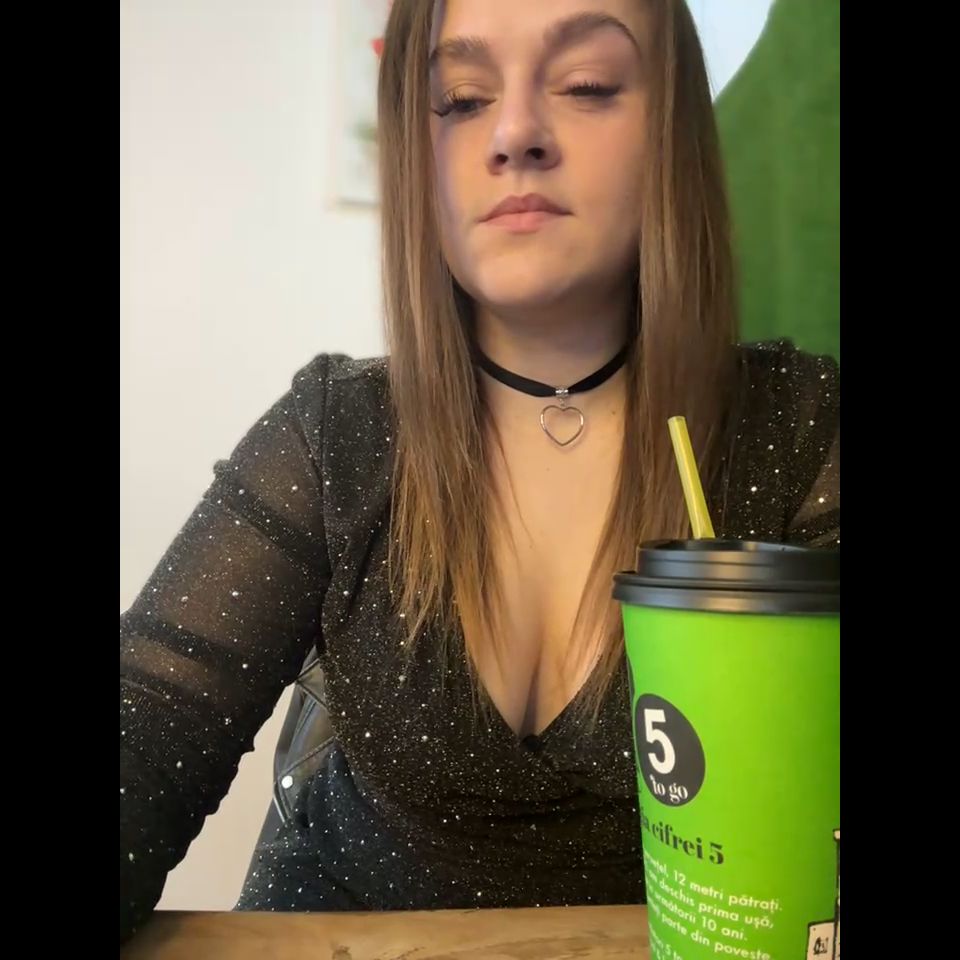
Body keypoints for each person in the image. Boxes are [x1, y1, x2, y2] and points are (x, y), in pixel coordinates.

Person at [120, 0, 839, 943]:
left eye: (586, 84)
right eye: (461, 98)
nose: (514, 134)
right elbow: (154, 710)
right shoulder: (335, 432)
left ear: (674, 134)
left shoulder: (802, 430)